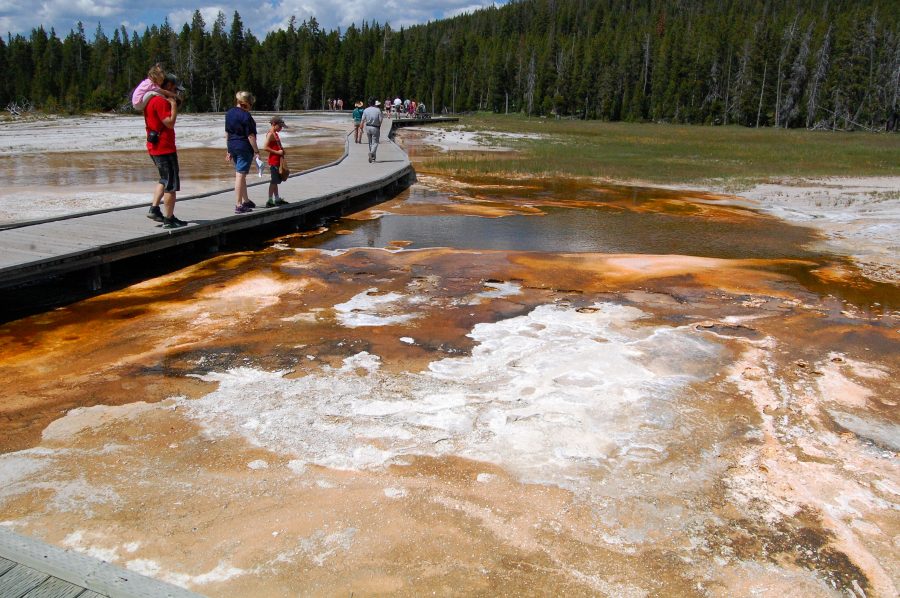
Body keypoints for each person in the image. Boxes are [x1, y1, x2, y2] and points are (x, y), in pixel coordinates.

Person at [144, 74, 186, 228]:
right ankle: (169, 219)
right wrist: (173, 106)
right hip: (164, 148)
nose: (176, 92)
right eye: (175, 88)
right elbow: (169, 123)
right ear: (168, 86)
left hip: (155, 147)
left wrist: (174, 103)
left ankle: (154, 209)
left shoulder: (150, 100)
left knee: (164, 179)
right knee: (171, 184)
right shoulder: (160, 102)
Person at [225, 91, 261, 214]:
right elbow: (251, 136)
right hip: (244, 147)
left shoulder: (229, 113)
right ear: (246, 103)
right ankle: (239, 204)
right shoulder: (246, 116)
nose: (251, 106)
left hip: (233, 145)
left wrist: (228, 150)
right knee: (240, 175)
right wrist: (256, 151)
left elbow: (227, 133)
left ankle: (246, 200)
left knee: (242, 174)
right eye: (251, 104)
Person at [263, 116, 289, 208]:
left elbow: (275, 146)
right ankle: (269, 201)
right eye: (280, 126)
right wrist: (277, 152)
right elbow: (265, 147)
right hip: (274, 161)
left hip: (278, 160)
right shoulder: (270, 134)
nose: (281, 128)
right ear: (274, 124)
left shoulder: (275, 134)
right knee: (273, 182)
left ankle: (277, 199)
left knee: (276, 181)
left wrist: (281, 150)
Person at [362, 98, 384, 163]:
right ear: (374, 103)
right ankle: (371, 153)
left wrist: (361, 126)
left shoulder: (365, 110)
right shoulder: (378, 110)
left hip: (368, 127)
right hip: (375, 127)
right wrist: (379, 125)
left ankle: (373, 157)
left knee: (370, 142)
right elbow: (381, 120)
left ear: (369, 103)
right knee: (376, 142)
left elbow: (363, 119)